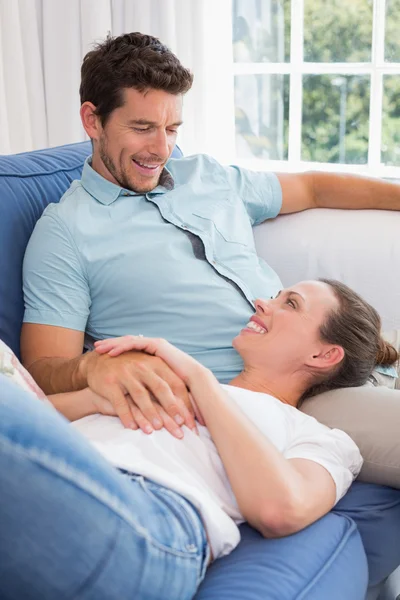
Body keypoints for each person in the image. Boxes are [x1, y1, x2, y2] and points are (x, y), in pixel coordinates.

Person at [19, 31, 400, 593]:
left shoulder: (210, 178)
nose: (161, 148)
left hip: (320, 363)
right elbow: (43, 370)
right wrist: (90, 368)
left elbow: (317, 185)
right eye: (142, 128)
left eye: (172, 128)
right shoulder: (66, 233)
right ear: (92, 120)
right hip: (260, 404)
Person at [1, 279, 397, 599]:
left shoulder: (319, 438)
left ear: (324, 356)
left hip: (148, 523)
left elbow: (282, 509)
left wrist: (201, 380)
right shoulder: (167, 381)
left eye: (290, 304)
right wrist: (95, 399)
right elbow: (31, 421)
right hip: (65, 471)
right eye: (276, 296)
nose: (263, 302)